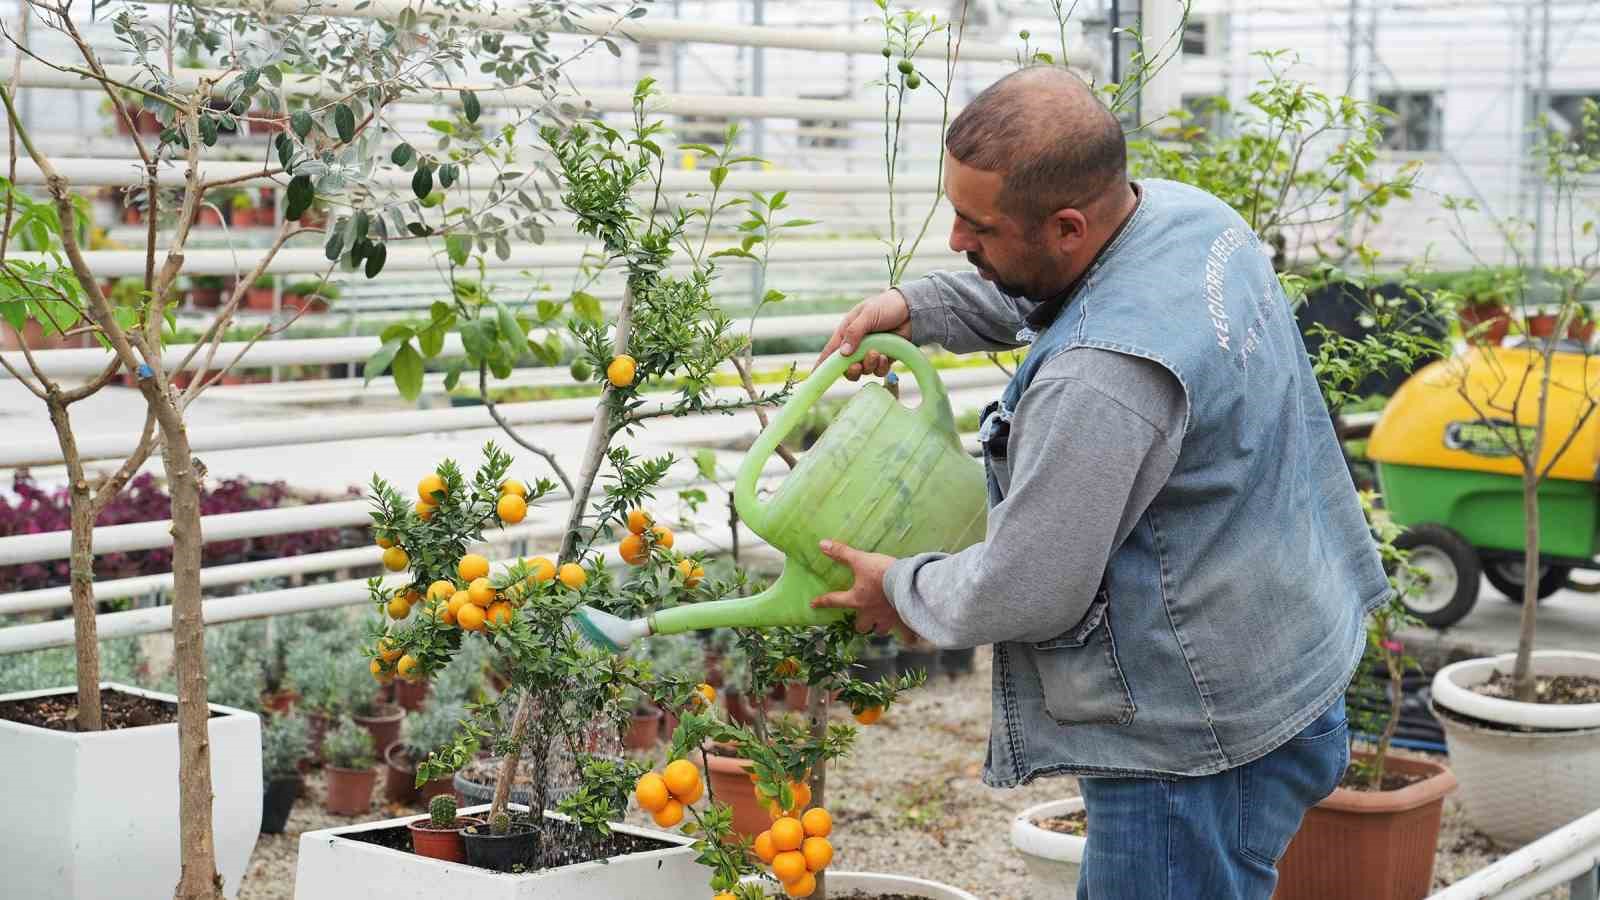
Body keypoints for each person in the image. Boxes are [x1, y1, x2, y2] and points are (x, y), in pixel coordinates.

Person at [809, 66, 1390, 899]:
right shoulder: (1193, 221)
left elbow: (1028, 586)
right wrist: (920, 307)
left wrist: (899, 588)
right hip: (1289, 662)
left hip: (1190, 748)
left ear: (1069, 225)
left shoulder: (1101, 384)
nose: (954, 241)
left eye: (976, 225)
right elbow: (1062, 291)